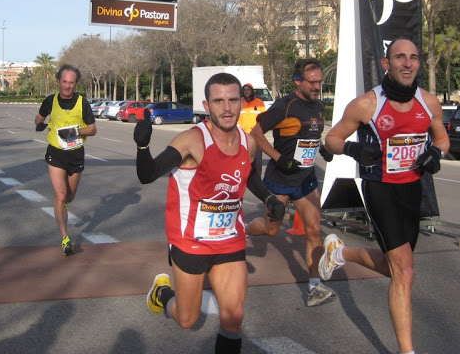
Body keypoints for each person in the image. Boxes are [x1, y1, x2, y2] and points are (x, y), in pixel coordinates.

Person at [134, 73, 285, 354]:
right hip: (191, 240)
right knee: (187, 319)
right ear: (207, 104)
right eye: (218, 101)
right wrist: (142, 146)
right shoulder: (192, 140)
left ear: (241, 102)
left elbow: (248, 174)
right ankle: (163, 294)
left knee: (233, 317)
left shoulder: (247, 142)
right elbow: (148, 174)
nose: (226, 108)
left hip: (229, 237)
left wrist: (268, 196)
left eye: (232, 100)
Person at [319, 36, 449, 354]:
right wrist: (353, 148)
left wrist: (435, 154)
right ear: (386, 64)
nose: (407, 63)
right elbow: (331, 139)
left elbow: (442, 139)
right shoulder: (367, 104)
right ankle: (407, 350)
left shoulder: (429, 102)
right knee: (403, 270)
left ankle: (340, 254)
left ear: (419, 63)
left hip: (411, 190)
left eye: (414, 57)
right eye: (400, 57)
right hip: (380, 189)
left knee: (399, 269)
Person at [246, 58, 337, 307]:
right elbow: (255, 133)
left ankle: (314, 287)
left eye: (320, 81)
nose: (318, 86)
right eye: (313, 81)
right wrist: (278, 157)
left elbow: (310, 136)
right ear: (298, 82)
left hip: (306, 178)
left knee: (314, 230)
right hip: (280, 178)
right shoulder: (285, 106)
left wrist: (323, 149)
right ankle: (243, 230)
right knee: (271, 229)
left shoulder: (319, 106)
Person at [35, 65, 97, 256]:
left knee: (69, 196)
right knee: (60, 196)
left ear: (75, 83)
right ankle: (65, 239)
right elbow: (39, 118)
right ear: (58, 81)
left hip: (76, 153)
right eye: (64, 82)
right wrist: (40, 124)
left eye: (71, 83)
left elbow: (93, 129)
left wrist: (76, 131)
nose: (67, 86)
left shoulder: (82, 103)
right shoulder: (50, 101)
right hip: (56, 153)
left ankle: (64, 205)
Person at [237, 83, 266, 174]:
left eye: (248, 90)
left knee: (257, 159)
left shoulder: (259, 102)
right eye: (244, 90)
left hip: (256, 135)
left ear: (252, 91)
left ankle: (257, 178)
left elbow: (264, 118)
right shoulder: (240, 103)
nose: (246, 92)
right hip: (243, 135)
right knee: (243, 158)